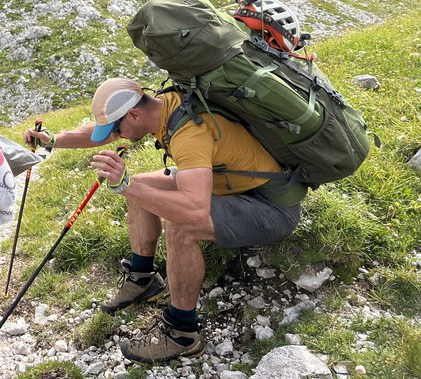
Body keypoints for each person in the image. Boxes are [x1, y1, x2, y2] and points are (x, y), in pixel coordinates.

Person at [25, 77, 306, 365]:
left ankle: (182, 332)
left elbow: (195, 212)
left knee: (180, 225)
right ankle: (143, 278)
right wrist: (55, 140)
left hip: (269, 206)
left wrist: (125, 186)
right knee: (144, 188)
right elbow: (105, 133)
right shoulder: (164, 104)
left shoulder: (187, 134)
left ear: (133, 114)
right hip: (232, 185)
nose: (117, 135)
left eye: (118, 128)